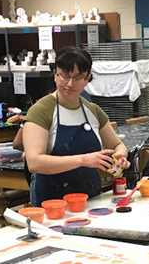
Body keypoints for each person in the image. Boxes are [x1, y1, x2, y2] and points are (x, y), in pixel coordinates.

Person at [22, 47, 129, 206]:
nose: (70, 83)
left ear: (88, 79)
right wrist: (83, 160)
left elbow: (117, 145)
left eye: (78, 78)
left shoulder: (92, 111)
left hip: (90, 198)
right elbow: (34, 162)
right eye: (64, 76)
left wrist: (120, 156)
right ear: (55, 75)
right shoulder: (41, 111)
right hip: (53, 203)